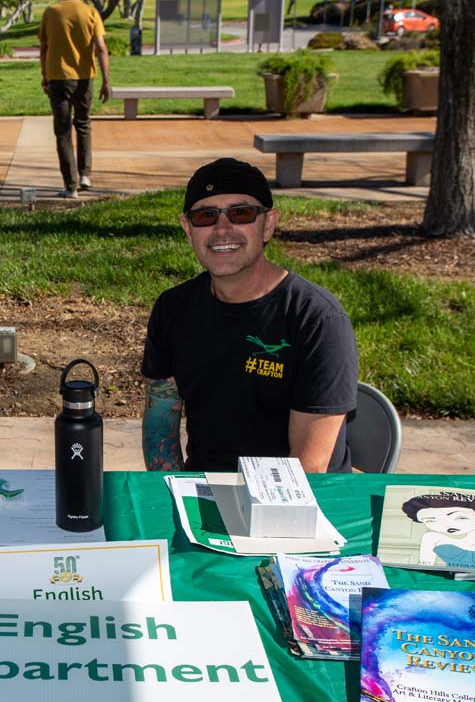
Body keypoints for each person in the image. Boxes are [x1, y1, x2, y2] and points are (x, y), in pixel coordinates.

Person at [140, 158, 358, 474]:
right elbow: (161, 422)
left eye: (240, 213)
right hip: (205, 488)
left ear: (268, 224)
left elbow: (309, 468)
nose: (222, 229)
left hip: (296, 502)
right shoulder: (172, 308)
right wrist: (171, 496)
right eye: (206, 216)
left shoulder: (317, 320)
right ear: (188, 230)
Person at [38, 0, 110, 199]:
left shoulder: (51, 12)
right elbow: (101, 48)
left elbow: (44, 48)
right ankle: (85, 174)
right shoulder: (90, 12)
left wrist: (44, 75)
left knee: (62, 132)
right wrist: (106, 81)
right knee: (83, 124)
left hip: (58, 78)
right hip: (84, 78)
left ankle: (71, 186)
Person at [400, 491, 475, 570]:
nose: (447, 525)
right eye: (430, 521)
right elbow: (425, 568)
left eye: (460, 517)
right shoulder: (432, 538)